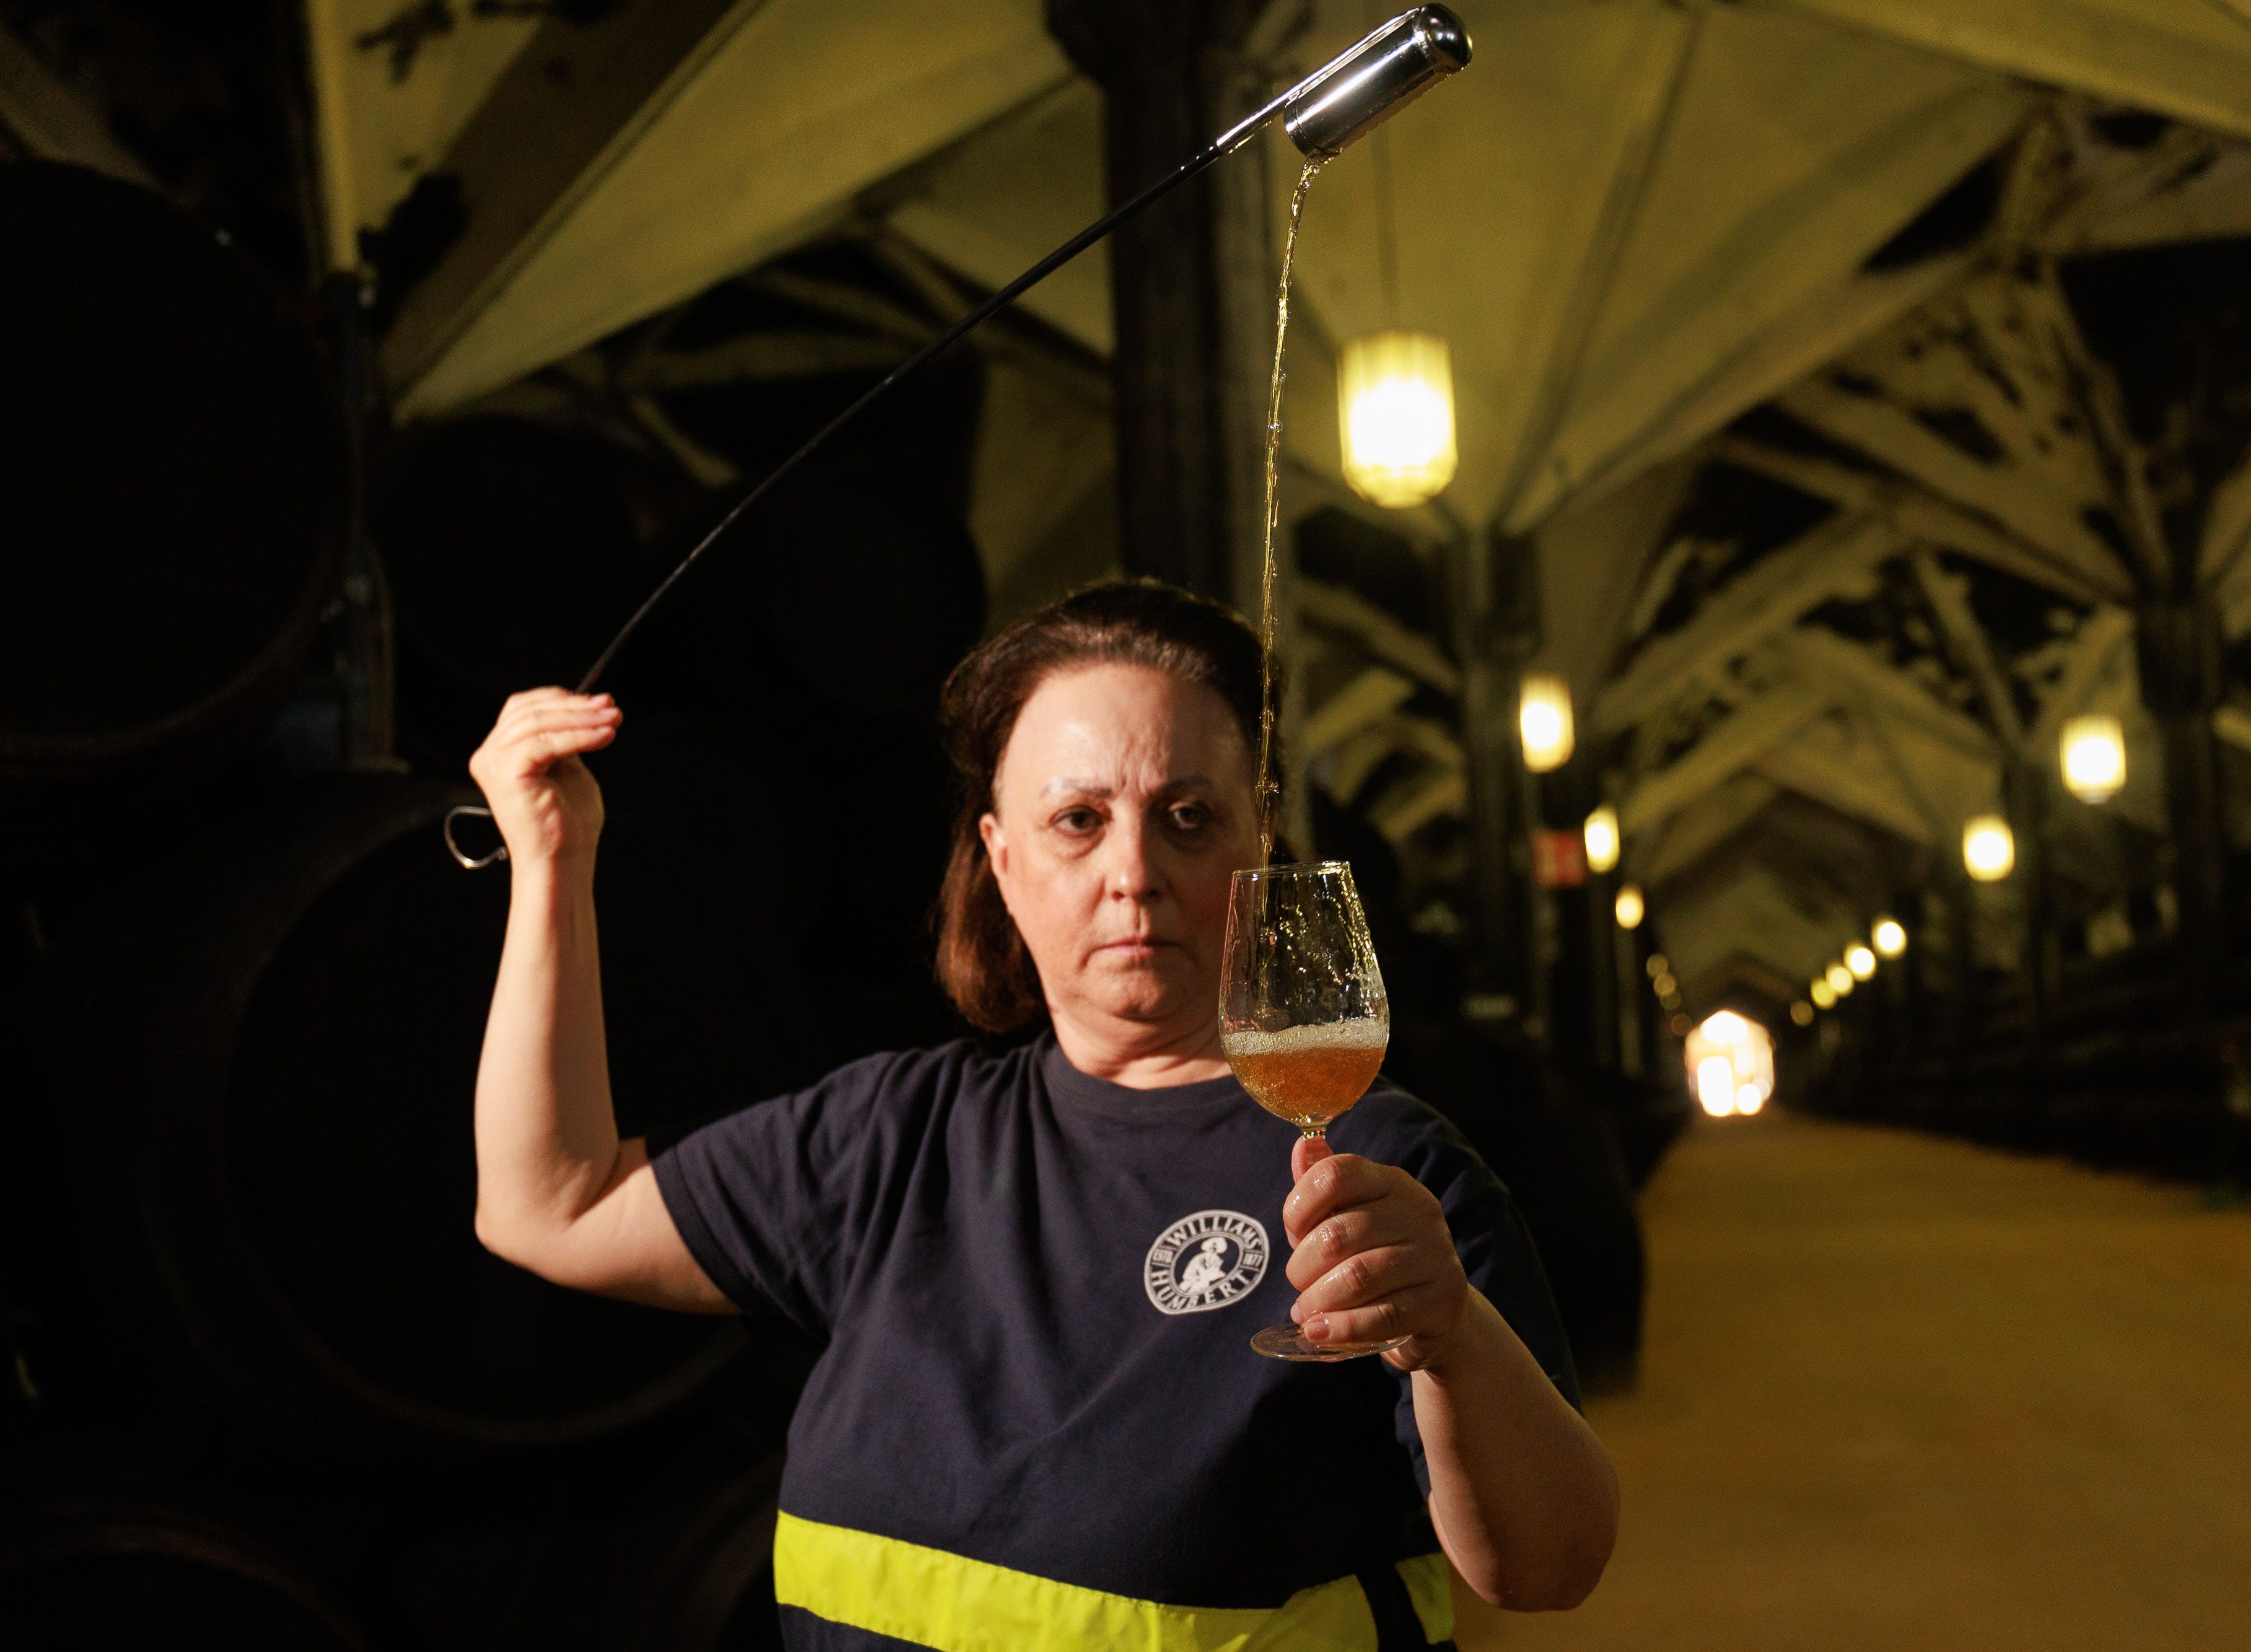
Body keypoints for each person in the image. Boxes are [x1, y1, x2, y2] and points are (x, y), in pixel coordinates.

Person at [468, 579, 1619, 1650]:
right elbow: (551, 1205)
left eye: (1187, 815)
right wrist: (552, 862)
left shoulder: (1386, 1175)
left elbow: (1552, 1566)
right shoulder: (897, 1139)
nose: (1134, 870)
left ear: (1256, 851)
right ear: (1001, 861)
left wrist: (1452, 1338)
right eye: (1079, 820)